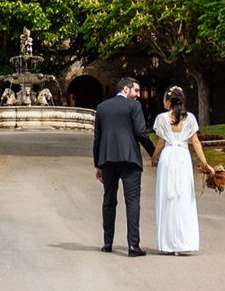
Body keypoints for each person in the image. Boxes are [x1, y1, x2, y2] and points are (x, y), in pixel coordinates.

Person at [90, 75, 155, 255]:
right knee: (132, 200)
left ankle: (107, 243)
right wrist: (154, 154)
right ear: (125, 89)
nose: (138, 95)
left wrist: (98, 164)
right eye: (136, 90)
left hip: (108, 160)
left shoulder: (102, 108)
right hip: (130, 159)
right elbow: (141, 133)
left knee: (109, 200)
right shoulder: (134, 106)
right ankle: (133, 245)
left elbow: (97, 139)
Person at [151, 88, 215, 255]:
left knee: (167, 197)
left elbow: (161, 143)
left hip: (168, 157)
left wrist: (154, 157)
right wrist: (206, 164)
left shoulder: (162, 118)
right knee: (183, 196)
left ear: (168, 101)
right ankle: (183, 242)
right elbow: (196, 142)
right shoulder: (190, 118)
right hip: (183, 158)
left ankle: (168, 243)